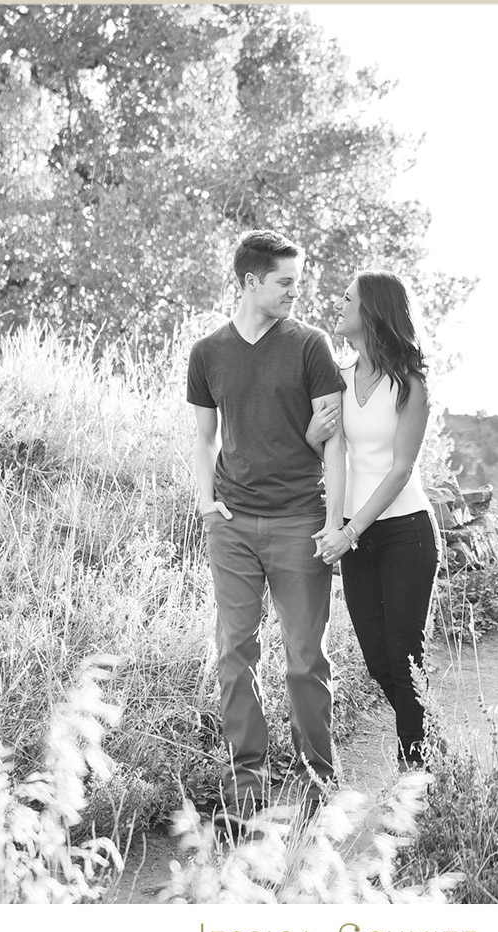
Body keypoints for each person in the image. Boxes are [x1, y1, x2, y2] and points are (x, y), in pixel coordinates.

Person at [186, 229, 347, 824]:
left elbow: (333, 443)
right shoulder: (207, 353)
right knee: (235, 652)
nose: (294, 293)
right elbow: (204, 439)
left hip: (299, 520)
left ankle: (318, 781)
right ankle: (246, 782)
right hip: (230, 524)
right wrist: (206, 501)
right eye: (285, 283)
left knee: (306, 657)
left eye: (296, 283)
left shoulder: (310, 346)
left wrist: (334, 519)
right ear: (251, 281)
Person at [308, 270, 438, 771]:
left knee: (405, 659)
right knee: (378, 661)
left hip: (405, 533)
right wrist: (334, 524)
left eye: (348, 299)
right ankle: (427, 743)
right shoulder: (337, 380)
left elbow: (401, 468)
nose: (338, 305)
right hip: (353, 534)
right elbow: (330, 452)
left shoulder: (410, 384)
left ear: (373, 313)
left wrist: (350, 530)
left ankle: (414, 773)